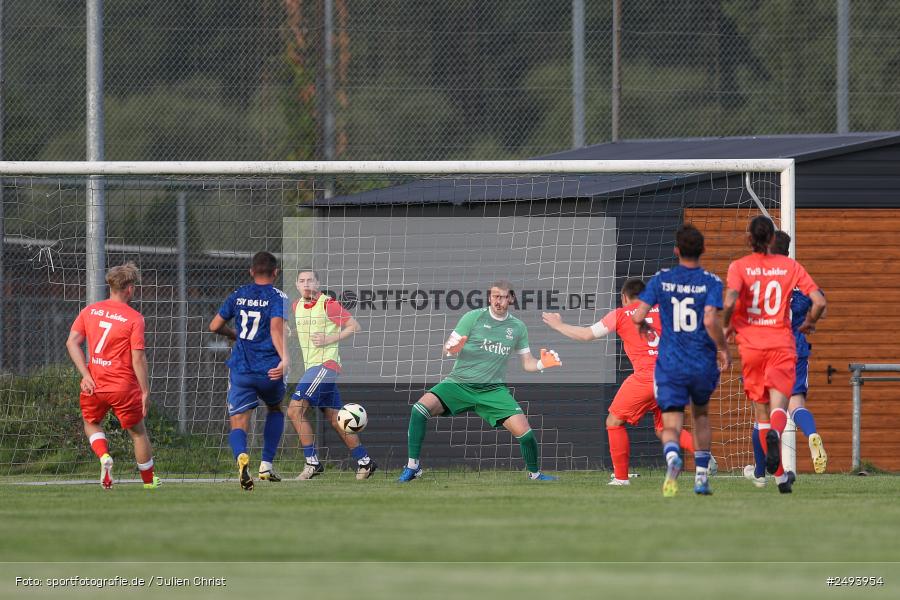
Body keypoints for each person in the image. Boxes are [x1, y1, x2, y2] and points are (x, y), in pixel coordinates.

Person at [543, 278, 707, 486]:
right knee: (664, 428)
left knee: (613, 422)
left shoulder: (620, 314)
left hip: (646, 377)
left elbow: (586, 335)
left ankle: (621, 479)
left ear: (624, 297)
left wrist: (558, 325)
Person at [398, 280, 562, 482]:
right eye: (495, 296)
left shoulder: (518, 327)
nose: (498, 301)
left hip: (492, 390)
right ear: (489, 298)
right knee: (419, 409)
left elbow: (527, 363)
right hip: (459, 383)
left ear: (511, 298)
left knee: (526, 434)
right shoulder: (472, 317)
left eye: (503, 297)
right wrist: (452, 349)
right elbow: (447, 348)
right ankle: (413, 467)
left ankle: (535, 475)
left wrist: (542, 364)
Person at [723, 217, 826, 494]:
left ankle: (770, 475)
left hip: (753, 346)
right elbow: (820, 302)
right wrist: (810, 322)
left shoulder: (741, 267)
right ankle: (790, 437)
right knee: (787, 405)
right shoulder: (791, 270)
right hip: (785, 345)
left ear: (751, 239)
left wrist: (726, 330)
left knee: (761, 414)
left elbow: (731, 302)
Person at [631, 225, 731, 497]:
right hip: (701, 362)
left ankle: (673, 456)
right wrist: (723, 348)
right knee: (701, 416)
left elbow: (638, 316)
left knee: (671, 423)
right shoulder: (711, 281)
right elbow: (710, 319)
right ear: (703, 250)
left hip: (671, 363)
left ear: (676, 250)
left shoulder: (662, 278)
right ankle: (701, 479)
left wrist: (643, 325)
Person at [65, 262, 159, 489]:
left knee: (91, 423)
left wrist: (85, 375)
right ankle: (149, 482)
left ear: (111, 286)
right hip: (122, 387)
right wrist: (145, 391)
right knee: (138, 434)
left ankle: (104, 455)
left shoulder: (90, 311)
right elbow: (138, 358)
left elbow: (72, 342)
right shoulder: (135, 318)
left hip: (94, 384)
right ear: (130, 289)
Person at [209, 251, 289, 491]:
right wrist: (285, 358)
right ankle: (266, 465)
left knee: (238, 422)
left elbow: (214, 325)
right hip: (269, 370)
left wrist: (235, 334)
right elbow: (276, 330)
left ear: (251, 271)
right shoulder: (278, 297)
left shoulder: (239, 294)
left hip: (242, 369)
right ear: (276, 273)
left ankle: (242, 457)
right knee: (275, 409)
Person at [287, 269, 376, 480]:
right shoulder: (296, 305)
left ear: (317, 283)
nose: (306, 284)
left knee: (294, 410)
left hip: (325, 366)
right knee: (336, 419)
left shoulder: (328, 304)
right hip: (313, 368)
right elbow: (306, 330)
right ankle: (365, 462)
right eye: (302, 281)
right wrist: (290, 333)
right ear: (297, 285)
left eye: (310, 280)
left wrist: (329, 339)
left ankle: (312, 463)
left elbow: (355, 326)